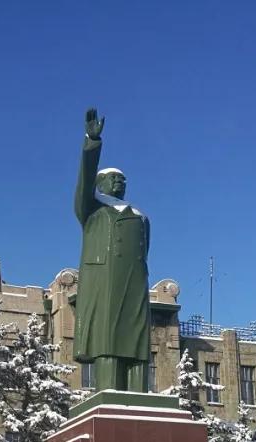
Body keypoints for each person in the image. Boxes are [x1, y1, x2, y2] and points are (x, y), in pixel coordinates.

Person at [73, 107, 151, 392]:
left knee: (136, 340)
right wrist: (92, 142)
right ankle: (108, 392)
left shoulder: (141, 217)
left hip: (134, 282)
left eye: (123, 179)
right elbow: (83, 181)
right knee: (108, 339)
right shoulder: (92, 209)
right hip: (104, 281)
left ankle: (139, 393)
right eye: (113, 178)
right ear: (100, 183)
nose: (119, 182)